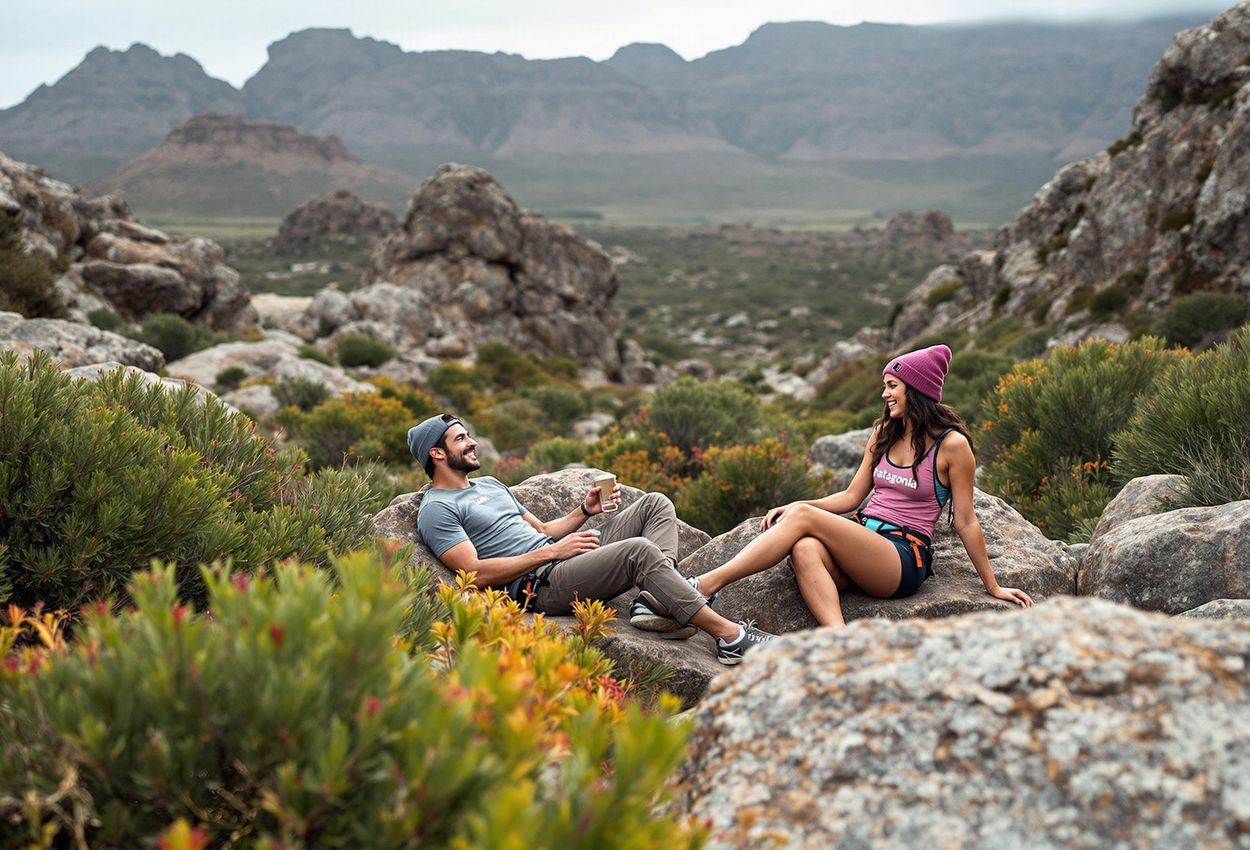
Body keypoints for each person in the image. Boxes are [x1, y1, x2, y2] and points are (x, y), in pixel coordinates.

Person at [689, 344, 1034, 627]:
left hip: (902, 557)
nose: (884, 394)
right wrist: (796, 508)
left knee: (803, 518)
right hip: (862, 543)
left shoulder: (952, 446)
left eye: (892, 386)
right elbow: (852, 496)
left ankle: (704, 585)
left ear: (916, 390)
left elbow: (966, 520)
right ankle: (843, 644)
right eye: (885, 386)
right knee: (805, 546)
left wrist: (993, 585)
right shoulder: (883, 433)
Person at [407, 413, 776, 665]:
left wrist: (584, 512)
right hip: (541, 585)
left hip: (559, 559)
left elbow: (542, 532)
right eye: (461, 439)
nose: (472, 443)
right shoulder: (436, 509)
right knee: (639, 552)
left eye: (468, 435)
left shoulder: (489, 484)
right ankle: (729, 638)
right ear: (437, 454)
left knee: (655, 504)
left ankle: (659, 602)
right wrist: (551, 554)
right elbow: (474, 573)